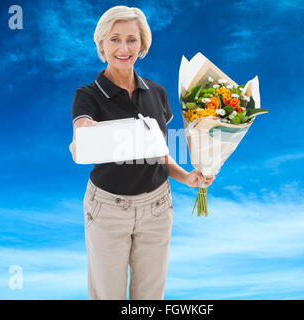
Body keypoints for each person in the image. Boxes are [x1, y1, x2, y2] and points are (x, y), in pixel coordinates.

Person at [69, 5, 215, 300]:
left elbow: (160, 153)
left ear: (142, 44)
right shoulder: (88, 95)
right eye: (115, 39)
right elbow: (81, 136)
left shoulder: (158, 93)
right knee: (107, 295)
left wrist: (186, 177)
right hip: (108, 208)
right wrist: (85, 137)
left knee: (149, 299)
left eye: (132, 40)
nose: (123, 48)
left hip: (157, 207)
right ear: (101, 44)